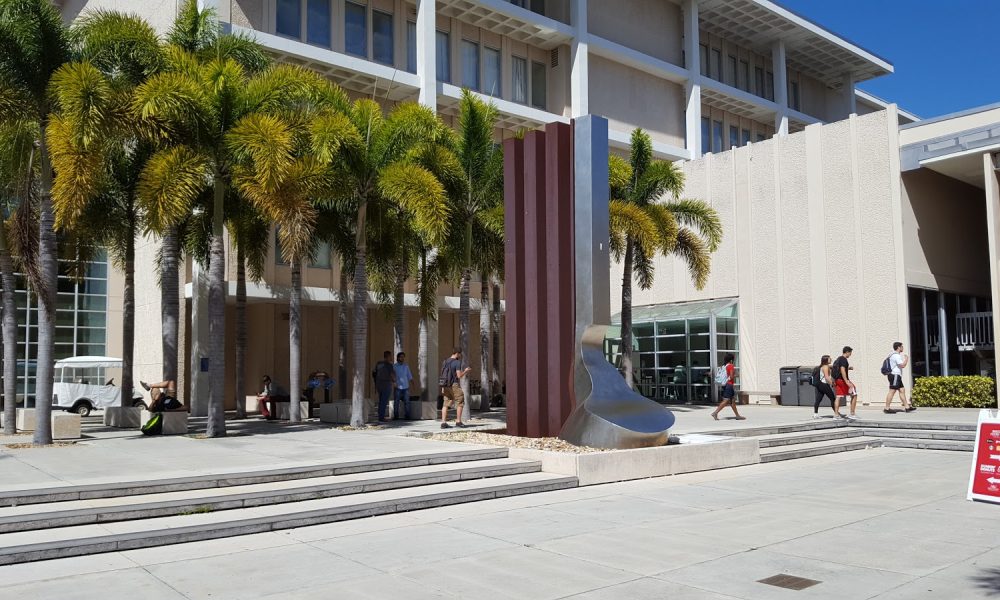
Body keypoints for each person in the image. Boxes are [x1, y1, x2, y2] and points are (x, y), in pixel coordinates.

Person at [440, 348, 471, 429]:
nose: (460, 355)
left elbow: (443, 374)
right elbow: (459, 376)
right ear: (457, 353)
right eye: (460, 354)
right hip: (454, 384)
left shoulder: (445, 361)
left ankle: (443, 423)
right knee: (460, 401)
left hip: (445, 385)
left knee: (445, 403)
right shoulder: (457, 362)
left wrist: (442, 387)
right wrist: (466, 371)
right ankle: (458, 421)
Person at [710, 354, 744, 420]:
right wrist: (736, 375)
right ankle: (715, 413)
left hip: (725, 385)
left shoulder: (724, 366)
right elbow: (731, 377)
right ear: (731, 360)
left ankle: (737, 415)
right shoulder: (731, 366)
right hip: (729, 385)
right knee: (726, 400)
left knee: (732, 401)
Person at [884, 341, 915, 413]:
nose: (902, 348)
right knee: (892, 391)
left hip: (896, 376)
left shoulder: (892, 355)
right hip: (894, 375)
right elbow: (902, 365)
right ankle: (887, 408)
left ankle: (907, 407)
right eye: (902, 346)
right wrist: (906, 359)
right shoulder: (896, 356)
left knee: (902, 390)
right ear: (898, 347)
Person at [832, 346, 858, 420]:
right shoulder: (844, 359)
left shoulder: (838, 359)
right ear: (847, 352)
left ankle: (836, 415)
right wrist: (847, 381)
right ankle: (852, 414)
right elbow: (842, 369)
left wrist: (848, 368)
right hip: (843, 380)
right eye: (850, 353)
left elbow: (839, 368)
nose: (850, 355)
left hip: (837, 380)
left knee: (838, 396)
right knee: (854, 394)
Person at [373, 351, 396, 422]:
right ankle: (381, 417)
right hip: (386, 384)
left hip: (379, 384)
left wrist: (376, 383)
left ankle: (380, 416)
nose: (391, 357)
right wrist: (394, 382)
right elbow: (392, 375)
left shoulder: (378, 364)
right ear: (388, 356)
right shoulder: (389, 365)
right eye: (390, 356)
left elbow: (373, 373)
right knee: (384, 401)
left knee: (381, 400)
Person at [393, 352, 414, 420]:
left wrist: (413, 383)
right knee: (396, 402)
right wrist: (394, 383)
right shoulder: (394, 366)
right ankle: (396, 416)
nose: (402, 358)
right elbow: (392, 376)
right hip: (398, 387)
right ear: (398, 358)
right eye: (401, 357)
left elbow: (409, 375)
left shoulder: (406, 366)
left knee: (407, 402)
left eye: (403, 357)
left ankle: (407, 416)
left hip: (406, 387)